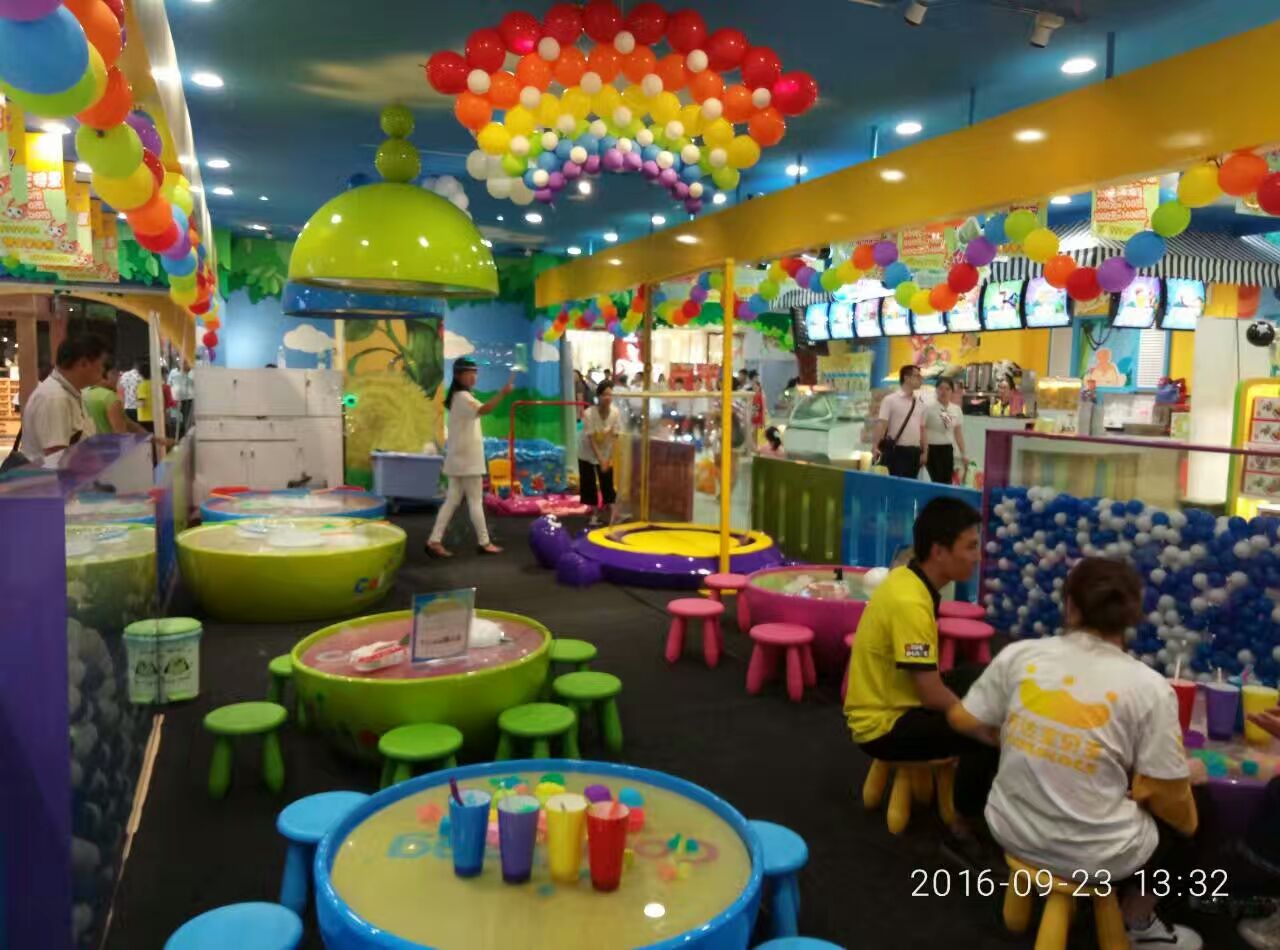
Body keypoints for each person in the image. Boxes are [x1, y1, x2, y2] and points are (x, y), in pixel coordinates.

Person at [948, 557, 1201, 949]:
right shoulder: (1150, 687)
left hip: (1009, 829)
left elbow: (963, 719)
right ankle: (1138, 920)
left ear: (1070, 606)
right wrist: (1186, 777)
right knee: (1191, 819)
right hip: (1095, 856)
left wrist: (1019, 739)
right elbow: (1167, 795)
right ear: (1132, 615)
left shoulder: (1020, 654)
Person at [845, 496, 997, 867]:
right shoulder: (910, 602)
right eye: (970, 547)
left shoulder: (908, 577)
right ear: (939, 551)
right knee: (987, 736)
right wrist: (978, 723)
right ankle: (963, 829)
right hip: (884, 726)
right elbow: (930, 694)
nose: (977, 557)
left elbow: (927, 680)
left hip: (898, 698)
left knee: (983, 678)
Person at [426, 358, 513, 557]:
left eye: (475, 372)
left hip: (458, 458)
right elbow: (485, 410)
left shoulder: (459, 397)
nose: (474, 377)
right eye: (469, 373)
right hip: (468, 460)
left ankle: (434, 540)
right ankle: (484, 542)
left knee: (452, 501)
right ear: (458, 376)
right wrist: (503, 393)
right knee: (475, 501)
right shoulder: (463, 397)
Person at [10, 333, 107, 464]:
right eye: (101, 364)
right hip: (52, 476)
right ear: (83, 363)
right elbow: (57, 458)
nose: (103, 370)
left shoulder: (70, 392)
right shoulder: (55, 398)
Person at [580, 380, 622, 528]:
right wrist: (601, 459)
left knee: (607, 483)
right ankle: (594, 515)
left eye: (610, 394)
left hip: (606, 451)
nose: (607, 398)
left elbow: (615, 436)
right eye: (604, 394)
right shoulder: (589, 413)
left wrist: (609, 458)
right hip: (587, 451)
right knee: (589, 483)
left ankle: (613, 515)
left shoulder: (615, 413)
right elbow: (591, 439)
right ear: (598, 396)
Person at [872, 365, 925, 479]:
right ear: (906, 378)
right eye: (917, 376)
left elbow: (922, 429)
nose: (921, 379)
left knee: (911, 485)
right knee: (896, 484)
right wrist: (875, 446)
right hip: (897, 450)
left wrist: (925, 451)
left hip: (915, 452)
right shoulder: (890, 400)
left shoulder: (919, 403)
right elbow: (882, 424)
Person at [924, 378, 967, 485]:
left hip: (947, 449)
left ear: (952, 392)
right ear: (936, 390)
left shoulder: (956, 409)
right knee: (934, 481)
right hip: (931, 450)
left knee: (947, 481)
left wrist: (964, 454)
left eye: (947, 389)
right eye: (941, 388)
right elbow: (922, 430)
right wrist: (924, 451)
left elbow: (958, 433)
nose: (944, 392)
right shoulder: (928, 408)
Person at [168, 359, 194, 436]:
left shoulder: (192, 372)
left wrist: (186, 372)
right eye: (181, 362)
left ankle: (186, 437)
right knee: (176, 422)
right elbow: (169, 385)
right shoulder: (173, 372)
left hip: (189, 400)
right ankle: (177, 438)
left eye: (185, 363)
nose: (183, 364)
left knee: (187, 422)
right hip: (175, 401)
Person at [134, 359, 155, 433]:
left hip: (144, 418)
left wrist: (135, 402)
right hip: (155, 416)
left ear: (140, 373)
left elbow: (141, 403)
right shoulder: (155, 384)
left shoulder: (142, 385)